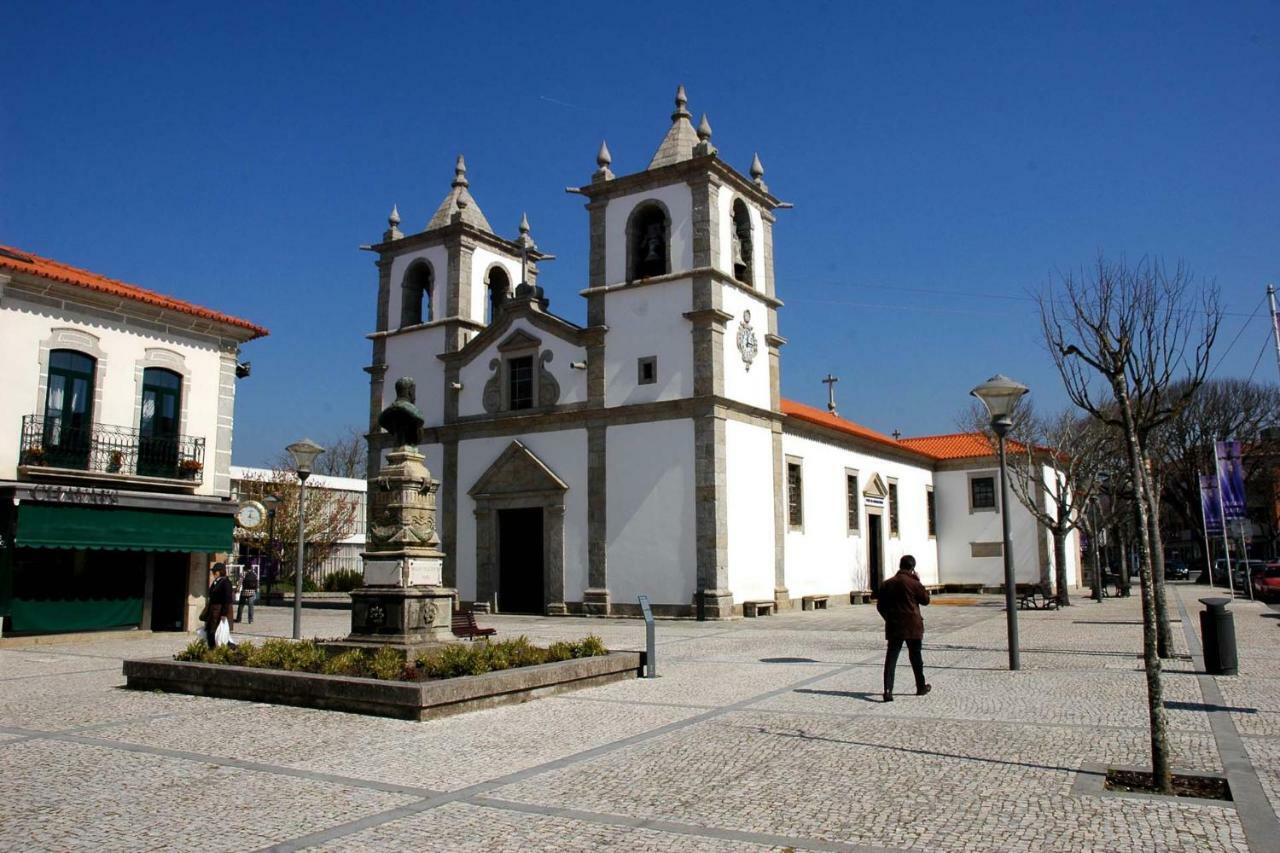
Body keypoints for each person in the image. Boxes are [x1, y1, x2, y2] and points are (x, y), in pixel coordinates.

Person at [876, 554, 931, 702]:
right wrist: (918, 581)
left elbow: (880, 606)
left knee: (891, 659)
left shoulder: (887, 584)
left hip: (895, 626)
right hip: (913, 626)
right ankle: (920, 686)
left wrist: (889, 618)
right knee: (916, 657)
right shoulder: (914, 583)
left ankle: (888, 690)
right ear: (912, 568)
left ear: (900, 566)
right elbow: (926, 600)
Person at [204, 562, 235, 648]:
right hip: (213, 610)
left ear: (221, 571)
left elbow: (227, 599)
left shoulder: (226, 582)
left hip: (220, 611)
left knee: (219, 633)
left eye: (215, 572)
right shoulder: (216, 582)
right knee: (211, 632)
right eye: (213, 572)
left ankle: (230, 649)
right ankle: (212, 649)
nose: (214, 573)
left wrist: (224, 614)